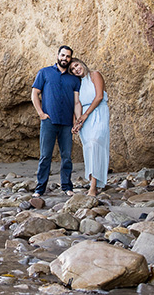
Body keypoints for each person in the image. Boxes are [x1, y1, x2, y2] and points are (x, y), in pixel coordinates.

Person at [31, 45, 81, 196]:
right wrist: (41, 113)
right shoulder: (45, 72)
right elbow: (34, 94)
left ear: (70, 58)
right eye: (63, 55)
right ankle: (40, 189)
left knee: (66, 156)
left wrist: (77, 121)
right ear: (58, 55)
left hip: (66, 123)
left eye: (68, 56)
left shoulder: (74, 79)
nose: (65, 58)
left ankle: (67, 187)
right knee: (45, 156)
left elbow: (76, 102)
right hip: (49, 122)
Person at [70, 58, 110, 196]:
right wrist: (77, 122)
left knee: (96, 143)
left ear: (82, 63)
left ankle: (94, 186)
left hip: (98, 112)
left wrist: (85, 115)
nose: (76, 69)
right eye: (73, 70)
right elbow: (77, 104)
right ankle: (93, 182)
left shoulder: (95, 75)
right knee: (89, 147)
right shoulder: (77, 84)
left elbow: (99, 96)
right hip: (84, 117)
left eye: (76, 65)